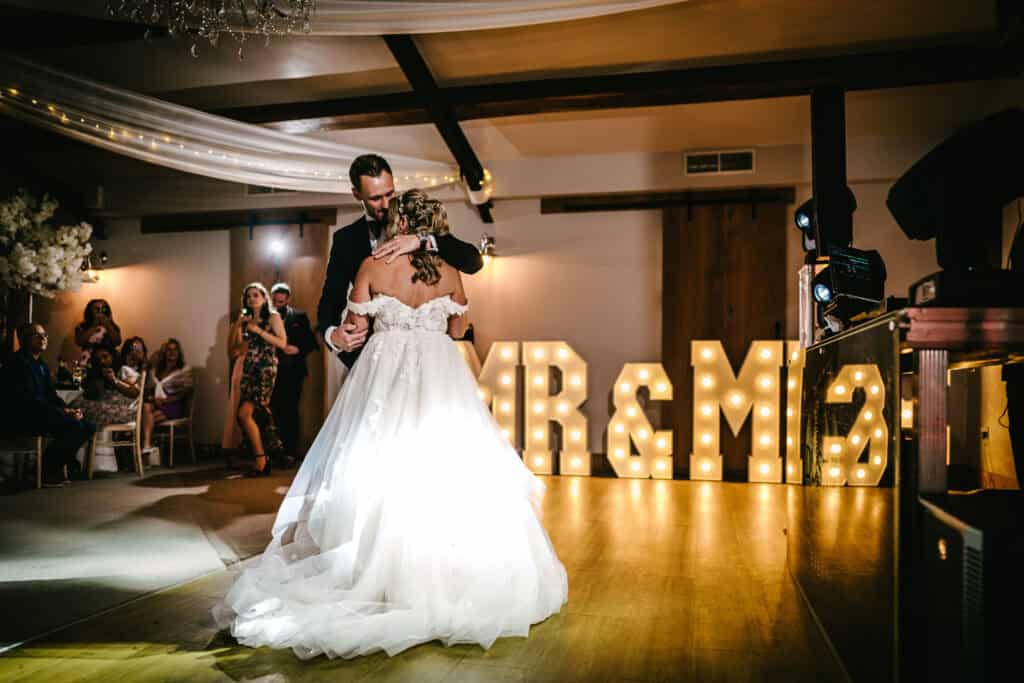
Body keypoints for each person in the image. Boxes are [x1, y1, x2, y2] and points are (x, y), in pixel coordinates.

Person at [215, 189, 567, 659]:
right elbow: (460, 329)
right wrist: (434, 317)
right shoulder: (448, 269)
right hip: (440, 370)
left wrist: (358, 325)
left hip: (384, 371)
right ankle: (448, 568)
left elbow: (355, 324)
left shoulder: (372, 266)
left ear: (400, 222)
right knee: (445, 464)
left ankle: (373, 568)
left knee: (376, 460)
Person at [317, 154, 483, 368]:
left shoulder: (421, 226)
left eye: (390, 193)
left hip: (429, 365)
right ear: (356, 194)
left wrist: (422, 240)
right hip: (372, 364)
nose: (386, 205)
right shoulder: (345, 240)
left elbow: (473, 262)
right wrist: (333, 336)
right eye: (376, 198)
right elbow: (329, 302)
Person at [0, 323, 95, 487]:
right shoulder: (17, 362)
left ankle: (47, 468)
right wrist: (63, 413)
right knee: (73, 425)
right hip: (22, 416)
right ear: (24, 340)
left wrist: (68, 409)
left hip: (41, 412)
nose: (43, 338)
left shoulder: (41, 364)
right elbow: (28, 399)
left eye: (44, 335)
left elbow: (51, 395)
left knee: (88, 426)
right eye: (37, 335)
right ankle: (44, 472)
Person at [230, 283, 287, 476]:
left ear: (264, 298)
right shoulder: (246, 321)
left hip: (265, 369)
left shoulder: (273, 317)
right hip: (249, 369)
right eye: (248, 296)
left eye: (256, 295)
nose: (252, 299)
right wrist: (238, 326)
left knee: (244, 414)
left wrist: (259, 331)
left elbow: (282, 342)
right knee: (255, 415)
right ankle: (268, 456)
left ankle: (262, 461)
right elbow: (236, 350)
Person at [268, 282, 318, 466]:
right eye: (275, 299)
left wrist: (297, 349)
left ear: (288, 298)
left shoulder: (299, 317)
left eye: (282, 299)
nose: (278, 301)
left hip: (293, 372)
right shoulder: (265, 316)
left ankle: (290, 451)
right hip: (270, 371)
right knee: (271, 411)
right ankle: (272, 452)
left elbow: (311, 343)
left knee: (290, 411)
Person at [141, 339, 193, 459]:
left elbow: (186, 391)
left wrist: (167, 400)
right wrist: (152, 397)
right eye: (169, 349)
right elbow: (148, 386)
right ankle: (146, 446)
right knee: (145, 407)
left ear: (179, 352)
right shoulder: (158, 369)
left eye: (175, 349)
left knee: (146, 419)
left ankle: (145, 449)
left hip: (173, 404)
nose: (172, 352)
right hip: (155, 402)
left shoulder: (183, 370)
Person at [71, 343, 140, 428]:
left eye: (105, 357)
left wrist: (114, 380)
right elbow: (88, 391)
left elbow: (135, 392)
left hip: (122, 405)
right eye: (98, 359)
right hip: (102, 405)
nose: (102, 361)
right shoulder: (94, 372)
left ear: (112, 356)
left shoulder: (122, 370)